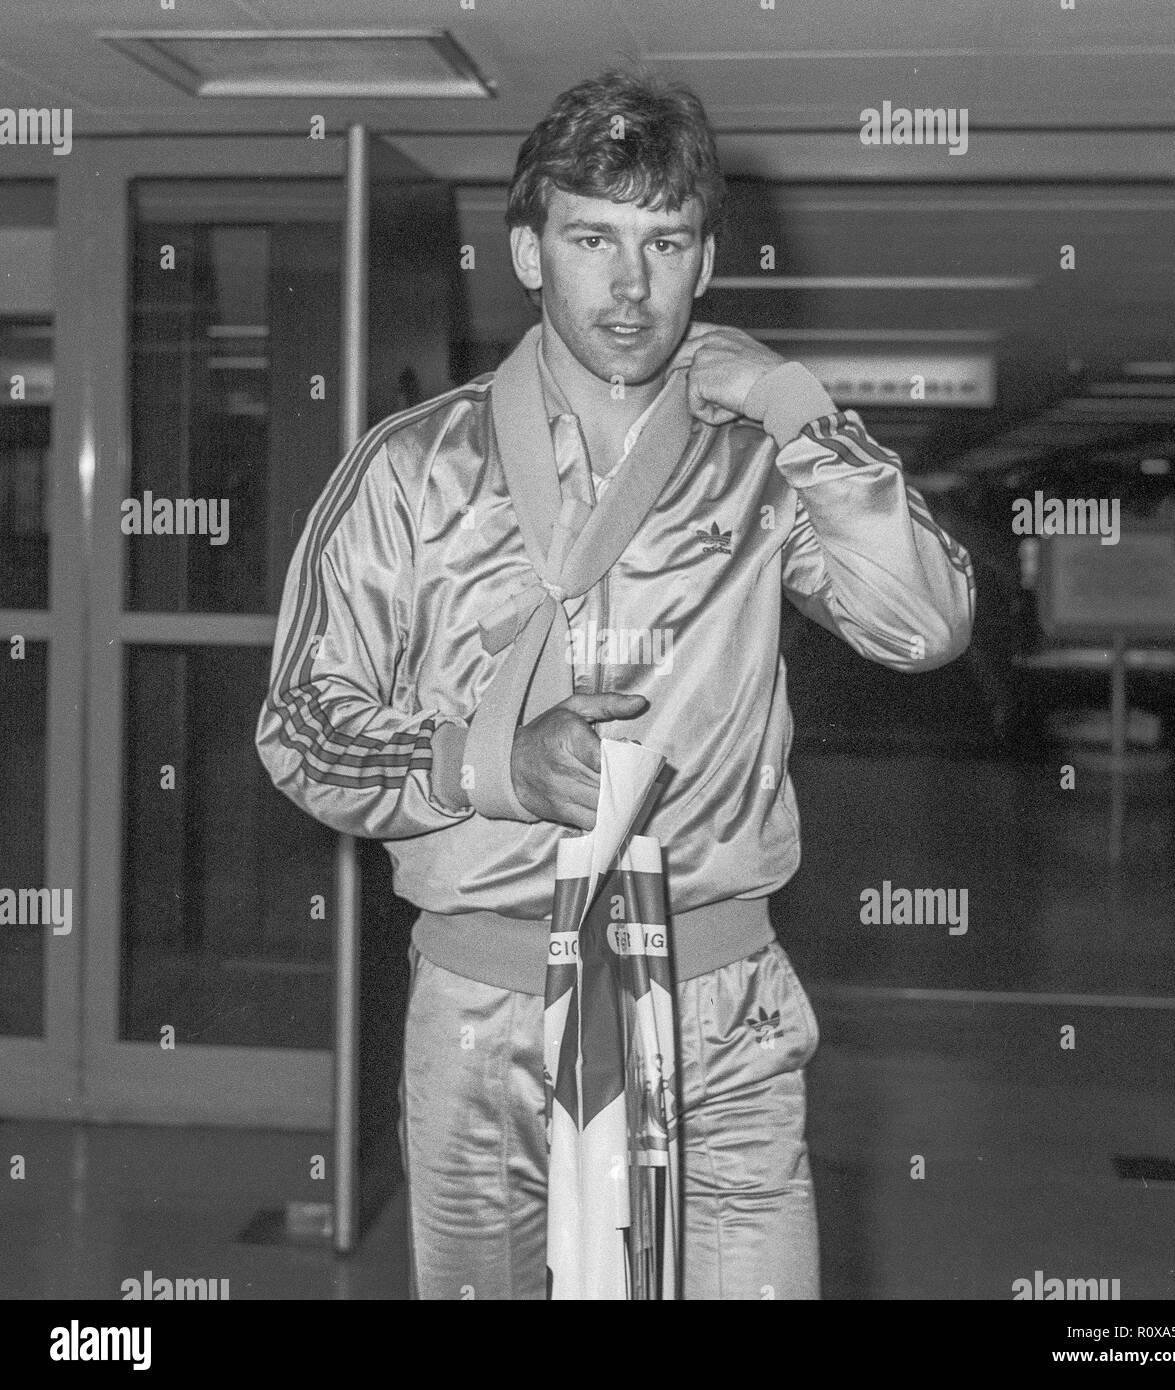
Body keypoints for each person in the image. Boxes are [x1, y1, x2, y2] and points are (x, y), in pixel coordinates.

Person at [255, 68, 975, 1300]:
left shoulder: (759, 463)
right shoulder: (411, 471)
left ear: (706, 262)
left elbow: (928, 624)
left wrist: (800, 412)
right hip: (490, 1009)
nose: (630, 285)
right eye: (592, 238)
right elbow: (300, 731)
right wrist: (489, 763)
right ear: (529, 253)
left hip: (721, 1011)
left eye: (665, 243)